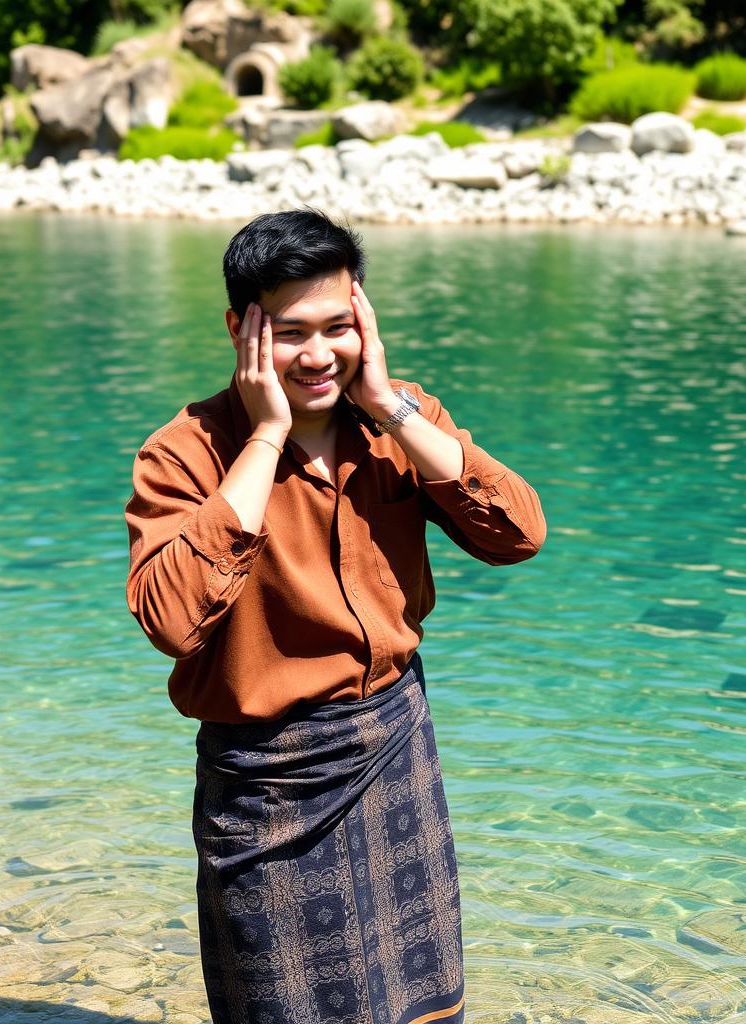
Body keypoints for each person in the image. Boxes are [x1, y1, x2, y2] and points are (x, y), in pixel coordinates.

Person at [125, 209, 546, 1024]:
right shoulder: (185, 452)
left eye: (338, 325)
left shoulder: (401, 422)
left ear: (364, 314)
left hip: (392, 743)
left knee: (418, 1002)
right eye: (289, 333)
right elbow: (171, 622)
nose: (319, 355)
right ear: (239, 330)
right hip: (266, 780)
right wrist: (266, 439)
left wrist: (391, 406)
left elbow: (517, 534)